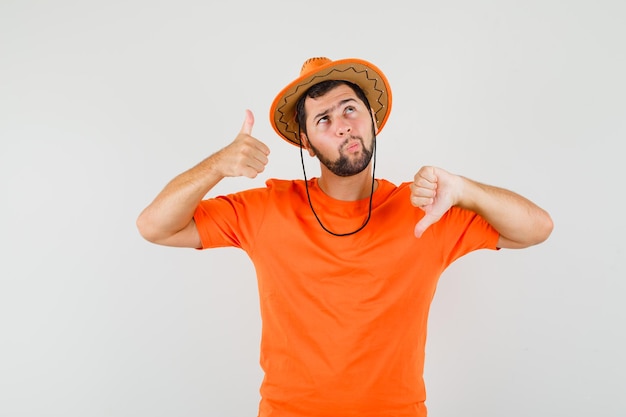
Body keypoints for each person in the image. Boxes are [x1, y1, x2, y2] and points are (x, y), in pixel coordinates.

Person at [136, 57, 553, 417]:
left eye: (349, 109)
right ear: (307, 142)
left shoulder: (427, 210)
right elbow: (155, 225)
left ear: (372, 118)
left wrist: (464, 190)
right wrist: (216, 166)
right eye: (324, 119)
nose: (342, 127)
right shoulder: (268, 209)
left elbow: (537, 227)